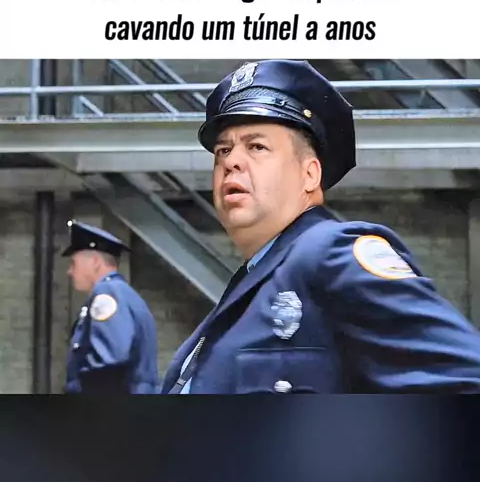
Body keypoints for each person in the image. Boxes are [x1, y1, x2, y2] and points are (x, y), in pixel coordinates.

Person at [161, 59, 480, 394]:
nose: (231, 161)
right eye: (223, 150)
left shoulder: (331, 255)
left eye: (257, 146)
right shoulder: (253, 281)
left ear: (310, 174)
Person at [63, 219, 160, 394]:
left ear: (94, 262)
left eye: (73, 263)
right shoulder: (124, 293)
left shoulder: (108, 292)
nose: (69, 272)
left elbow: (109, 360)